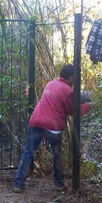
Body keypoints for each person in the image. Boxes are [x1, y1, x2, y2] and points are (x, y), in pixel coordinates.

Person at [13, 64, 91, 192]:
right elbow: (74, 110)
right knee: (57, 154)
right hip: (52, 126)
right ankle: (59, 184)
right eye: (75, 77)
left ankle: (18, 184)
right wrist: (88, 105)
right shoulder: (68, 91)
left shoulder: (50, 84)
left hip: (36, 120)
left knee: (28, 152)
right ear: (71, 77)